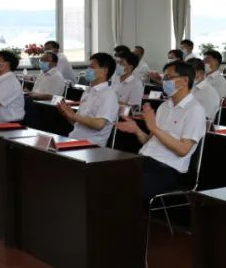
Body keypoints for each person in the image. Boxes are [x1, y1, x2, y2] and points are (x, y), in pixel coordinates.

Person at [116, 60, 207, 205]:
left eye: (168, 78)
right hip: (145, 160)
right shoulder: (164, 106)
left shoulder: (195, 110)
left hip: (168, 169)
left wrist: (155, 129)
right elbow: (148, 141)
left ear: (185, 80)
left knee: (123, 188)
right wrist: (136, 129)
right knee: (107, 174)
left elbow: (183, 150)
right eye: (164, 78)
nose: (164, 82)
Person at [55, 53, 120, 146]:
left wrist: (74, 116)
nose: (88, 70)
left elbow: (99, 124)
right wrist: (67, 114)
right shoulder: (88, 92)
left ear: (105, 71)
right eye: (88, 67)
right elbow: (77, 122)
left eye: (92, 67)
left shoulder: (109, 95)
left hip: (91, 145)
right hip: (74, 139)